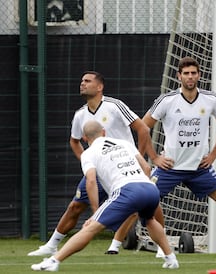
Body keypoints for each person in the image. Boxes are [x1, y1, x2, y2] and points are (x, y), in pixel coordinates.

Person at [142, 56, 216, 254]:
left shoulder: (210, 99)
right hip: (170, 167)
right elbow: (143, 127)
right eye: (186, 73)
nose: (190, 77)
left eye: (193, 73)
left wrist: (213, 154)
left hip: (199, 169)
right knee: (148, 200)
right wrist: (155, 158)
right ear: (178, 75)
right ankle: (162, 246)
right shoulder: (167, 100)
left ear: (199, 75)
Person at [30, 120, 179, 271]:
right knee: (150, 220)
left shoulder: (88, 153)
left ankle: (54, 261)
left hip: (127, 190)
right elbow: (146, 167)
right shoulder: (124, 143)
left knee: (91, 228)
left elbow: (91, 181)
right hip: (150, 188)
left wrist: (95, 212)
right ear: (104, 132)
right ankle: (171, 258)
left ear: (85, 138)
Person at [28, 71, 147, 256]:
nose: (82, 83)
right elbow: (74, 141)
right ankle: (51, 245)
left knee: (140, 207)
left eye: (87, 81)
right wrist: (88, 162)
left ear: (99, 87)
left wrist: (138, 157)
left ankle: (121, 247)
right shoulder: (80, 115)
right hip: (100, 172)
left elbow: (142, 128)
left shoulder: (115, 106)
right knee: (75, 206)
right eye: (82, 80)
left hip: (124, 170)